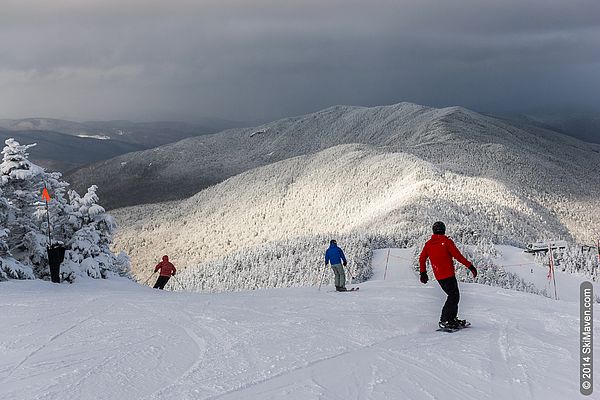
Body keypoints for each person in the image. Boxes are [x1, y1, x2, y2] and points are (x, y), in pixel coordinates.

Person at [419, 221, 477, 329]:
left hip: (439, 276)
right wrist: (470, 267)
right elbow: (458, 256)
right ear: (444, 230)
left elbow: (422, 258)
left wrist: (423, 273)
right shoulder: (447, 242)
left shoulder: (428, 244)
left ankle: (451, 319)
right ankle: (445, 320)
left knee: (454, 296)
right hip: (449, 275)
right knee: (453, 296)